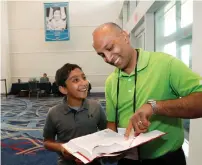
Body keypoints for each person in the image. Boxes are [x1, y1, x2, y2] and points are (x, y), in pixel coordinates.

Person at [92, 22, 202, 165]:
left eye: (110, 48)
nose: (108, 58)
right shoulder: (111, 82)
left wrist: (154, 107)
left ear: (125, 36)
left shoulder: (166, 64)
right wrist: (110, 149)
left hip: (166, 159)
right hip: (128, 160)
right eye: (102, 55)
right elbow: (112, 124)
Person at [43, 63, 107, 165]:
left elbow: (106, 133)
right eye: (76, 80)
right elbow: (47, 142)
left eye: (84, 77)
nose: (84, 83)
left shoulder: (96, 107)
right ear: (63, 89)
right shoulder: (54, 113)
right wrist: (63, 148)